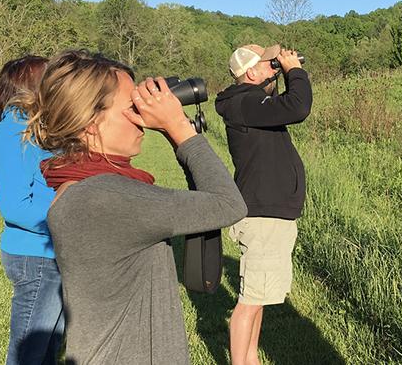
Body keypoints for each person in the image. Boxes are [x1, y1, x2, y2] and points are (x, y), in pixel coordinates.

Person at [18, 49, 247, 364]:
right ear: (90, 124)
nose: (141, 118)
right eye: (131, 106)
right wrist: (179, 128)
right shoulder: (105, 197)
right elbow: (228, 204)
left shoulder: (77, 188)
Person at [215, 44, 312, 365]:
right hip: (263, 213)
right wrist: (293, 71)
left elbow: (284, 104)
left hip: (268, 211)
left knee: (258, 298)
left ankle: (251, 358)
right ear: (251, 73)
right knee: (249, 301)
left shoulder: (251, 103)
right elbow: (298, 107)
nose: (274, 69)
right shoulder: (246, 101)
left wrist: (283, 71)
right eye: (268, 66)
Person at [0, 55, 65, 364]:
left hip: (51, 253)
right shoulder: (13, 130)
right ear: (29, 86)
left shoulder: (34, 127)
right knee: (28, 353)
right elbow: (15, 206)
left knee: (47, 352)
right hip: (36, 257)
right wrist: (64, 222)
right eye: (50, 78)